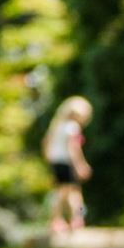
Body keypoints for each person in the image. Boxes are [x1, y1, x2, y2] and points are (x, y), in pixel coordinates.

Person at [41, 96, 93, 233]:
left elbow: (46, 143)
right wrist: (81, 165)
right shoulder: (72, 127)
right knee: (71, 193)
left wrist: (50, 160)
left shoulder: (57, 126)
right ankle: (74, 219)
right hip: (66, 162)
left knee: (65, 192)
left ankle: (66, 219)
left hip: (56, 162)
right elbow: (73, 147)